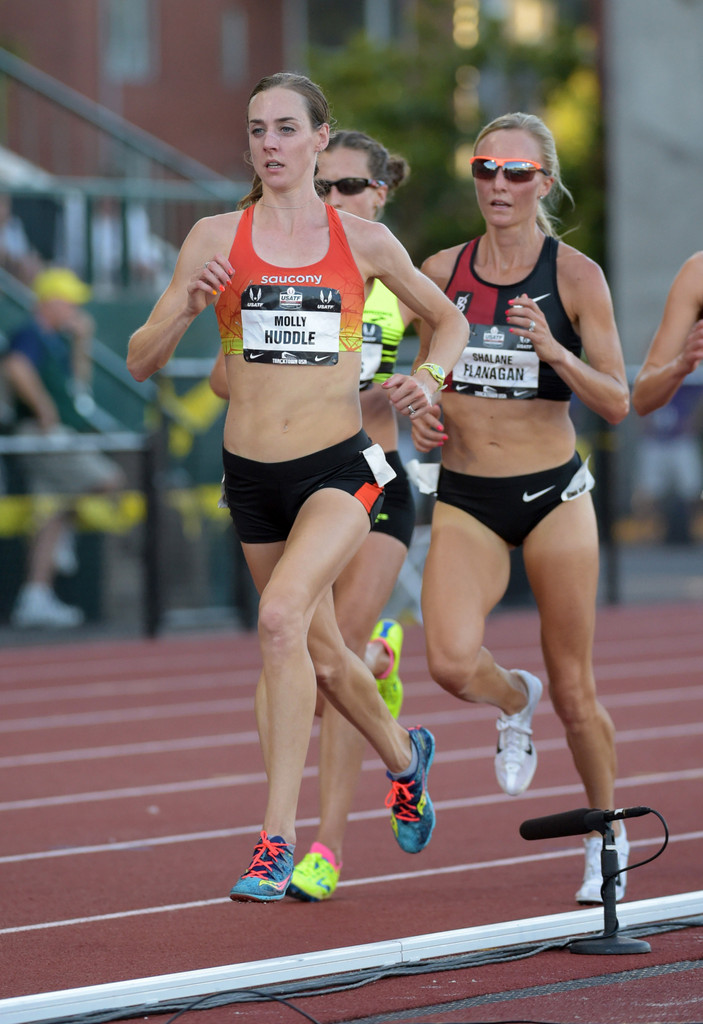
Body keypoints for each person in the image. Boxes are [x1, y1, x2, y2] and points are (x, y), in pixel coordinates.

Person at [127, 72, 470, 903]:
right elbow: (142, 357)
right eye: (257, 130)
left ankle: (273, 841)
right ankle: (403, 757)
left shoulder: (360, 243)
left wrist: (428, 376)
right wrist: (183, 310)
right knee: (321, 655)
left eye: (286, 128)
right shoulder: (214, 236)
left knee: (279, 621)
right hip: (250, 478)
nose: (270, 144)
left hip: (339, 470)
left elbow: (449, 319)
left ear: (321, 140)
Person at [410, 112, 631, 905]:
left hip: (551, 497)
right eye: (484, 168)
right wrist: (419, 404)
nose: (497, 185)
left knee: (576, 689)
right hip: (467, 494)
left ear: (544, 181)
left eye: (515, 172)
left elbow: (616, 402)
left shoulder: (575, 276)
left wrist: (555, 351)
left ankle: (606, 836)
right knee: (446, 661)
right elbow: (406, 366)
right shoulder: (440, 269)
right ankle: (512, 699)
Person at [211, 129, 419, 902]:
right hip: (284, 475)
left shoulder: (387, 269)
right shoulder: (278, 262)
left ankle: (322, 847)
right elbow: (223, 380)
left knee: (307, 635)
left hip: (374, 477)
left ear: (378, 194)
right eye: (322, 187)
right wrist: (287, 370)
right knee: (320, 653)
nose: (332, 200)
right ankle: (402, 748)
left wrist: (421, 392)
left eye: (348, 188)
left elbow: (458, 367)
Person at [3, 267, 125, 627]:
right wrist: (43, 407)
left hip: (56, 435)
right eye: (68, 301)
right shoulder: (29, 334)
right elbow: (15, 367)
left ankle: (35, 595)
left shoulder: (57, 340)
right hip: (42, 436)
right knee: (107, 479)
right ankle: (64, 544)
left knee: (52, 514)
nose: (74, 309)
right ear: (50, 302)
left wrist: (83, 341)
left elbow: (79, 387)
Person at [631, 253, 703, 542]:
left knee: (690, 485)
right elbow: (642, 398)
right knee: (649, 488)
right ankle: (653, 529)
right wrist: (679, 365)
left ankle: (688, 526)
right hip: (660, 439)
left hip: (680, 438)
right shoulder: (695, 272)